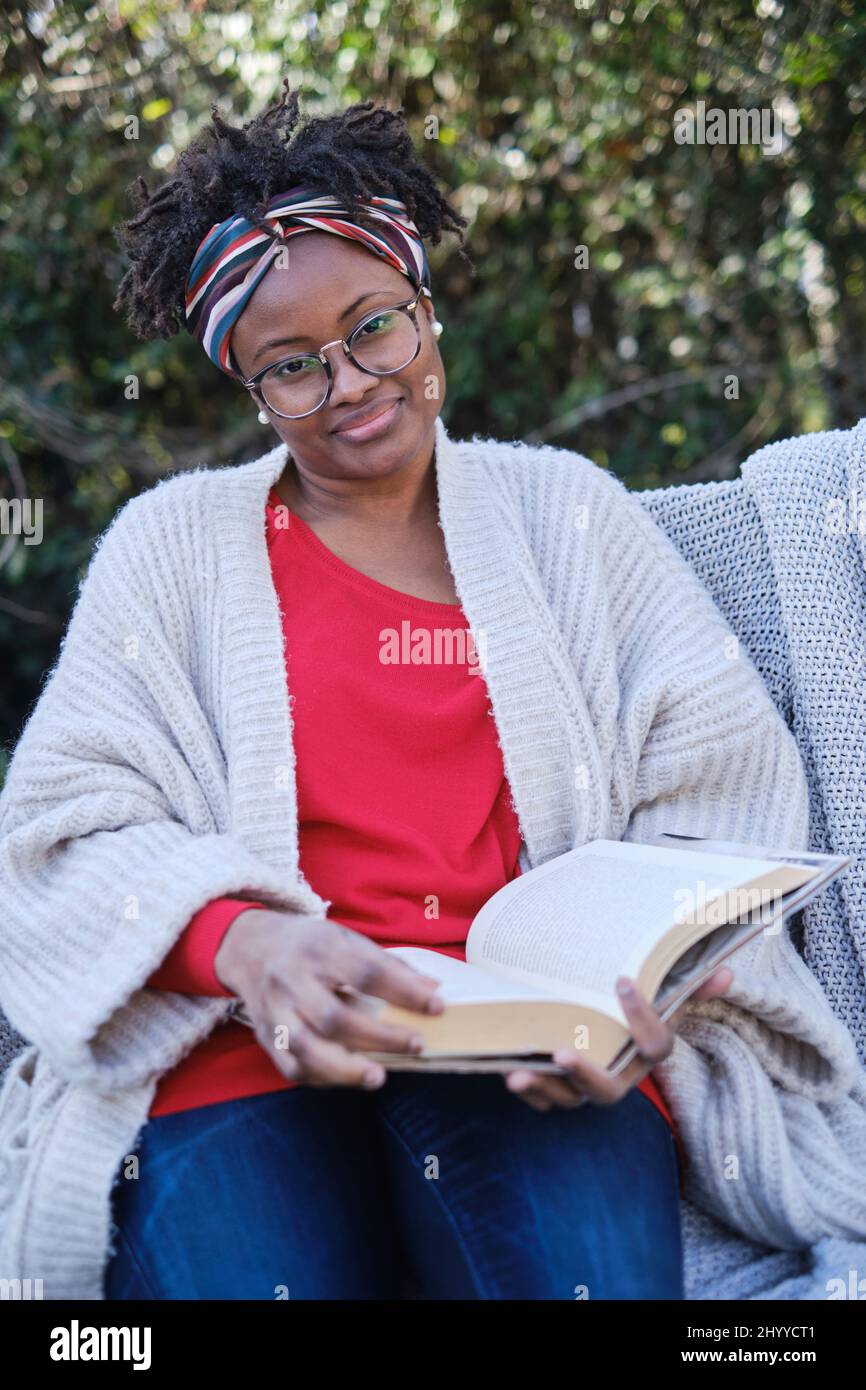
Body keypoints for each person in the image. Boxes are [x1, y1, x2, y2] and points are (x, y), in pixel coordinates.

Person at [1, 81, 848, 1303]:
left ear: (422, 307)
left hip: (521, 1057)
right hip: (245, 1055)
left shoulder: (570, 519)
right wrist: (241, 940)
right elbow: (58, 832)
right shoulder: (169, 551)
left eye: (373, 327)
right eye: (290, 365)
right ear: (249, 388)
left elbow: (713, 790)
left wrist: (630, 1000)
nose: (347, 382)